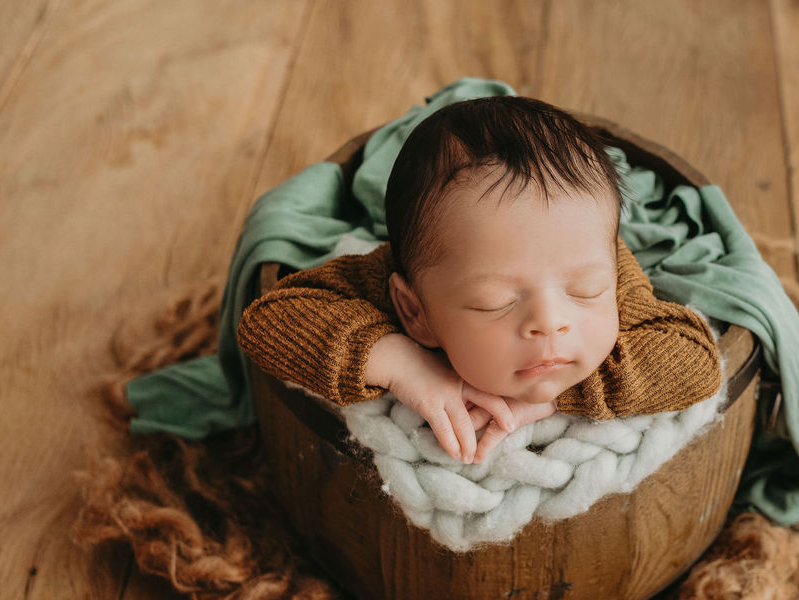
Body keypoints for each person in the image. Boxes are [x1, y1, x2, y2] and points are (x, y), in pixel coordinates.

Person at [237, 96, 722, 465]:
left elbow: (697, 361)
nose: (551, 322)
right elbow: (268, 321)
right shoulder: (387, 279)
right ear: (414, 311)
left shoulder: (608, 267)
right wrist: (398, 361)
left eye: (584, 292)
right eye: (495, 301)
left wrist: (561, 394)